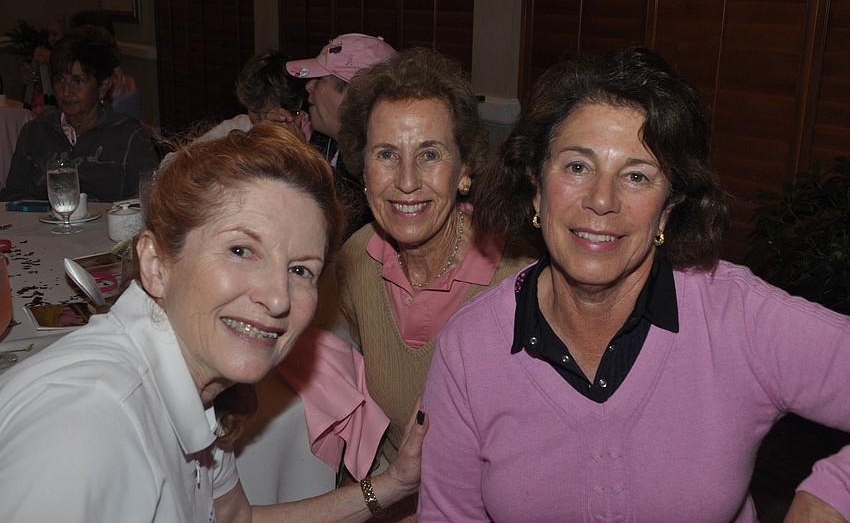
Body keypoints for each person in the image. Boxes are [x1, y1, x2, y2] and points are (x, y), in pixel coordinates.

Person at [418, 46, 850, 522]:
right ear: (536, 185)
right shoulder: (470, 348)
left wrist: (830, 496)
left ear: (669, 205)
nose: (602, 200)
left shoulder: (737, 319)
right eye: (577, 167)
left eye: (637, 176)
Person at [0, 123, 427, 522]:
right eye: (241, 251)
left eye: (301, 270)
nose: (278, 298)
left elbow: (233, 519)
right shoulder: (89, 427)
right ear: (154, 263)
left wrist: (392, 486)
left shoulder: (196, 389)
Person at [335, 47, 538, 517]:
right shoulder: (355, 261)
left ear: (465, 170)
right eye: (387, 154)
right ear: (363, 170)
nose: (407, 181)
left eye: (430, 154)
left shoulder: (519, 281)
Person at [1, 26, 157, 202]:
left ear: (102, 87)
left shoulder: (130, 137)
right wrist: (41, 202)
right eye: (60, 80)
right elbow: (11, 196)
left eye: (78, 81)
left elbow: (149, 205)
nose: (66, 92)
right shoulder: (34, 132)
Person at [287, 33, 397, 237]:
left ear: (354, 95)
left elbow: (328, 234)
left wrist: (296, 158)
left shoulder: (375, 168)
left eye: (320, 79)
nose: (308, 85)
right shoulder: (325, 139)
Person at [196, 49, 308, 144]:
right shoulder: (239, 125)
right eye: (254, 111)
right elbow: (184, 156)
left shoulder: (315, 136)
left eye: (268, 113)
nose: (261, 123)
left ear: (294, 108)